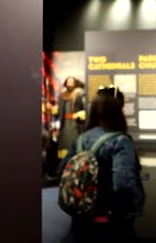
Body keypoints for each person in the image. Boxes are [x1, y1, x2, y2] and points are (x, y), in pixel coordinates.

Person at [58, 85, 145, 242]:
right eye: (122, 108)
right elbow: (123, 185)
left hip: (81, 215)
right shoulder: (120, 141)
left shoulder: (81, 139)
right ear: (116, 111)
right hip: (109, 219)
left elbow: (61, 172)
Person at [57, 76, 86, 159]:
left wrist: (79, 114)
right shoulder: (62, 96)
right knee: (64, 144)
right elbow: (59, 111)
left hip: (76, 125)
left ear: (75, 83)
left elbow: (86, 109)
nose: (69, 84)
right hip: (65, 124)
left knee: (75, 144)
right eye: (68, 82)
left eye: (71, 82)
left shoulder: (80, 94)